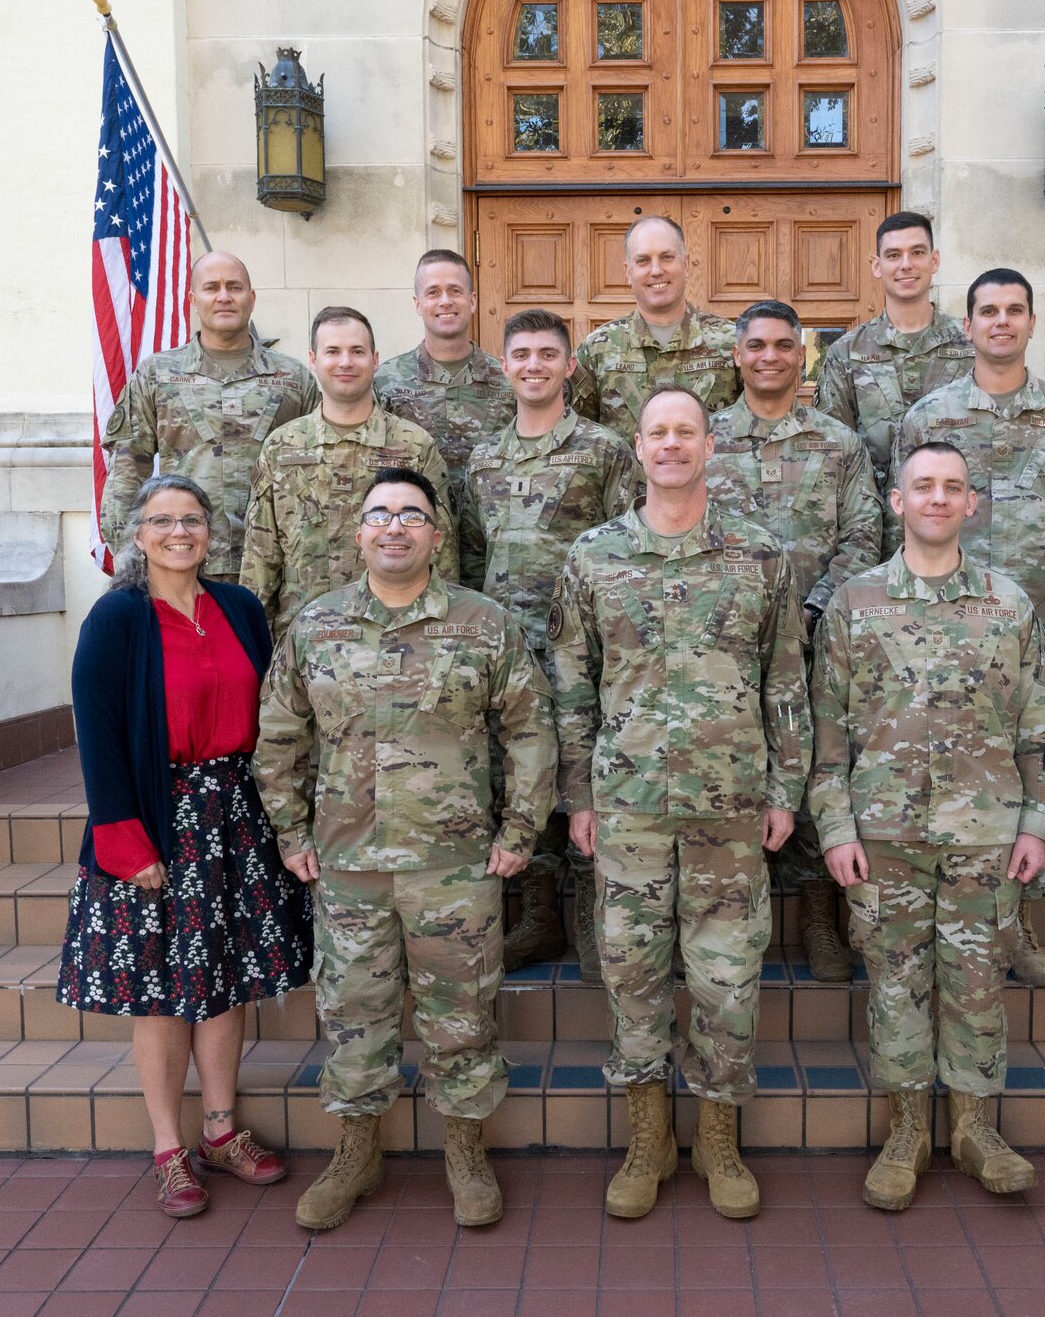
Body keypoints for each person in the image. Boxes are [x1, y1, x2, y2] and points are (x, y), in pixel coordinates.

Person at [254, 469, 558, 1232]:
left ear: (435, 533)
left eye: (411, 515)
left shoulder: (482, 624)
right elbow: (280, 736)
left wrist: (521, 829)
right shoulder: (315, 625)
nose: (394, 527)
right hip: (348, 865)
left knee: (462, 1018)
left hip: (453, 868)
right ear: (359, 532)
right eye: (380, 515)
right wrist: (291, 834)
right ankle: (357, 1152)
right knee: (356, 1014)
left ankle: (465, 1150)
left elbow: (528, 727)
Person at [551, 387, 809, 1221]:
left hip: (729, 808)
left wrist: (786, 789)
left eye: (686, 431)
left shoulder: (761, 556)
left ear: (709, 445)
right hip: (625, 806)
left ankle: (719, 1139)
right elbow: (572, 687)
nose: (671, 444)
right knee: (632, 975)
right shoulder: (593, 556)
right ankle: (647, 1137)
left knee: (728, 979)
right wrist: (577, 793)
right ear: (638, 444)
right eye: (657, 431)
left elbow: (786, 683)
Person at [810, 442, 1045, 1211]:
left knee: (978, 983)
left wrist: (1039, 824)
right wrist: (836, 829)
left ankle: (977, 1129)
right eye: (924, 486)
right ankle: (908, 1128)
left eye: (954, 487)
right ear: (897, 501)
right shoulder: (855, 603)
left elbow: (1041, 725)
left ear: (972, 504)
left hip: (986, 832)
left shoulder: (1008, 603)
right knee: (895, 983)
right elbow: (826, 736)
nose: (939, 498)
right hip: (883, 833)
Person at [60, 474, 312, 1219]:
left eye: (193, 519)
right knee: (161, 988)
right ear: (138, 536)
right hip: (156, 820)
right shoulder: (117, 619)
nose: (180, 532)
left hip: (236, 814)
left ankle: (221, 1130)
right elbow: (98, 731)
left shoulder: (237, 607)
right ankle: (169, 1148)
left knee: (227, 977)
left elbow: (273, 710)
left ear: (210, 531)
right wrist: (122, 838)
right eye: (163, 520)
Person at [887, 266, 1045, 984]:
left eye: (1014, 310)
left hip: (1038, 632)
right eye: (988, 310)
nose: (1001, 322)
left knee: (1029, 772)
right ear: (969, 325)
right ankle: (936, 920)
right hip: (936, 630)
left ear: (1031, 322)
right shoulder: (928, 418)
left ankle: (1013, 923)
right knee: (946, 772)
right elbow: (902, 519)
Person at [458, 308, 640, 975]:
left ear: (569, 366)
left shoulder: (604, 449)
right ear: (504, 366)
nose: (533, 365)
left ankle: (595, 916)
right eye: (521, 355)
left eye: (546, 354)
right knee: (515, 773)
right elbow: (471, 556)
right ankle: (538, 916)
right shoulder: (483, 458)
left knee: (586, 765)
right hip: (506, 650)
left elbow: (631, 545)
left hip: (584, 645)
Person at [705, 299, 880, 983]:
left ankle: (816, 911)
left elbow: (864, 537)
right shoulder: (707, 437)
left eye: (784, 345)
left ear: (801, 356)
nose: (770, 356)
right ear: (737, 355)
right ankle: (723, 909)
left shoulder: (838, 444)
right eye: (757, 345)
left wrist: (810, 609)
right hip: (722, 646)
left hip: (817, 638)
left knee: (817, 765)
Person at [98, 252, 320, 579]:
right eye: (211, 287)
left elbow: (319, 468)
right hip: (185, 566)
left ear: (252, 298)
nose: (224, 296)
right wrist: (132, 558)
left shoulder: (293, 378)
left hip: (274, 567)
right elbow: (127, 472)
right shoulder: (158, 375)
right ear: (193, 299)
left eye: (235, 287)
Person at [241, 306, 455, 639]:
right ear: (313, 360)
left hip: (401, 642)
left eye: (357, 351)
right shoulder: (281, 448)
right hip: (304, 643)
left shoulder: (413, 446)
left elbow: (441, 553)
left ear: (375, 359)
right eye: (333, 351)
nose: (345, 362)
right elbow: (260, 559)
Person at [812, 211, 974, 496]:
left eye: (917, 252)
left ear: (934, 260)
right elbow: (833, 449)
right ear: (876, 266)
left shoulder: (971, 345)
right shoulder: (847, 352)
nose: (906, 265)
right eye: (893, 255)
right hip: (875, 521)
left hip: (956, 518)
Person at [568, 216, 740, 428]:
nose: (656, 270)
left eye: (667, 257)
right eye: (643, 261)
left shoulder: (730, 340)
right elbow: (577, 429)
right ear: (628, 272)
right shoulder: (597, 348)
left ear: (685, 265)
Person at [373, 249, 518, 492]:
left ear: (472, 301)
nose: (445, 301)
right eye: (433, 292)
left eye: (454, 290)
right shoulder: (385, 380)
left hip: (491, 523)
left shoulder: (508, 379)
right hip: (416, 523)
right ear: (418, 304)